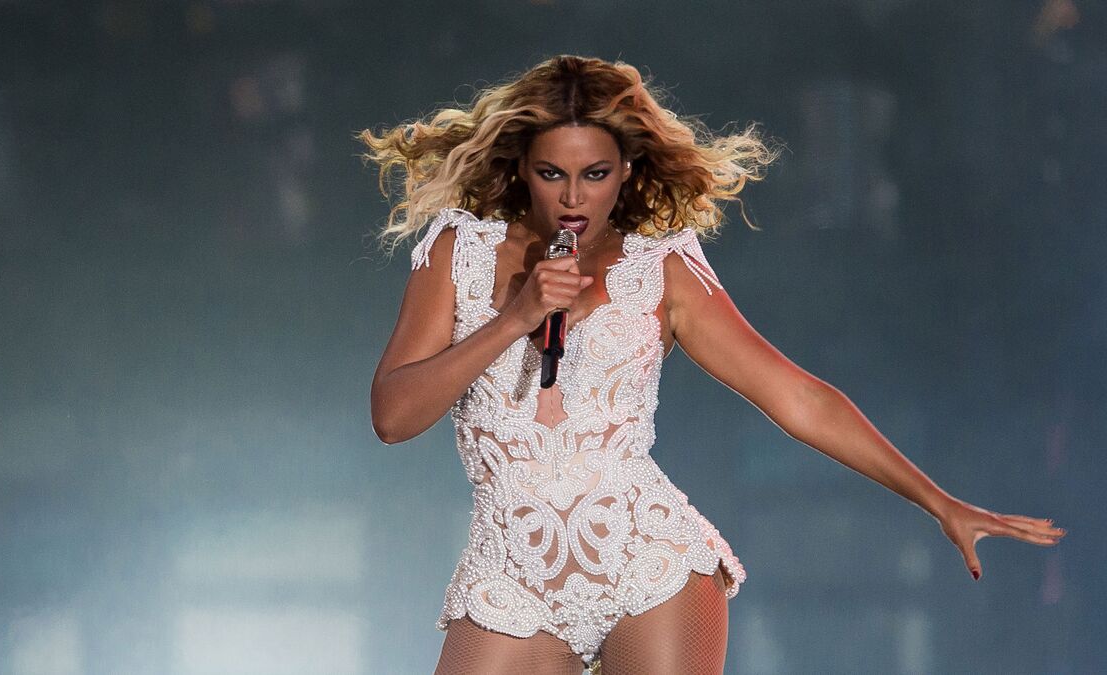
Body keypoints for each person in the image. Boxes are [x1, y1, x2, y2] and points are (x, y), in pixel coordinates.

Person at [360, 55, 1066, 675]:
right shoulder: (458, 252)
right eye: (553, 174)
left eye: (595, 174)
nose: (573, 198)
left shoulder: (661, 268)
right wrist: (515, 319)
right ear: (522, 167)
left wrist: (938, 501)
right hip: (510, 572)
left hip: (647, 565)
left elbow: (798, 398)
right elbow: (393, 416)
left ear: (626, 170)